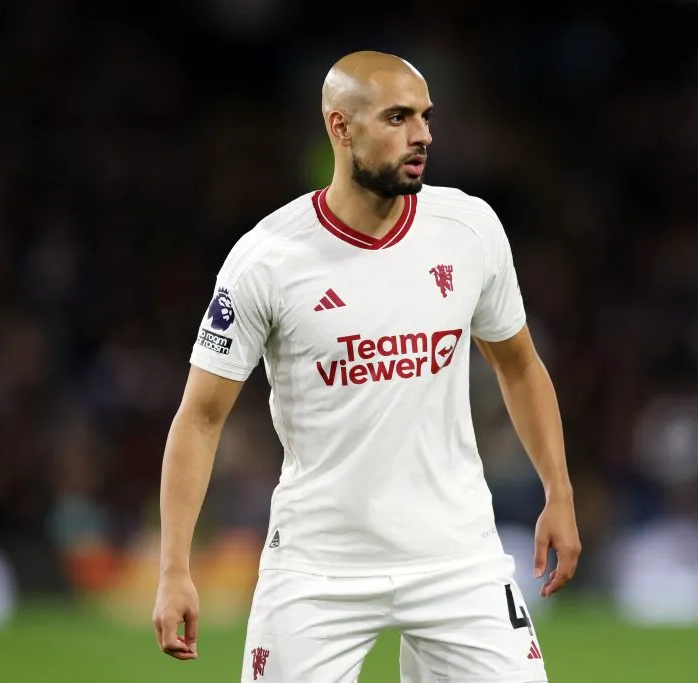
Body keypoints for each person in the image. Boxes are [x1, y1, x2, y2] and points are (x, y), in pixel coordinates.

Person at [152, 50, 582, 682]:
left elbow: (518, 364)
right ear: (340, 127)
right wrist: (173, 570)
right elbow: (200, 418)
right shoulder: (266, 260)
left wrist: (559, 492)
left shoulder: (470, 228)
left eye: (426, 118)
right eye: (398, 117)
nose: (422, 135)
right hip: (318, 566)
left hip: (455, 556)